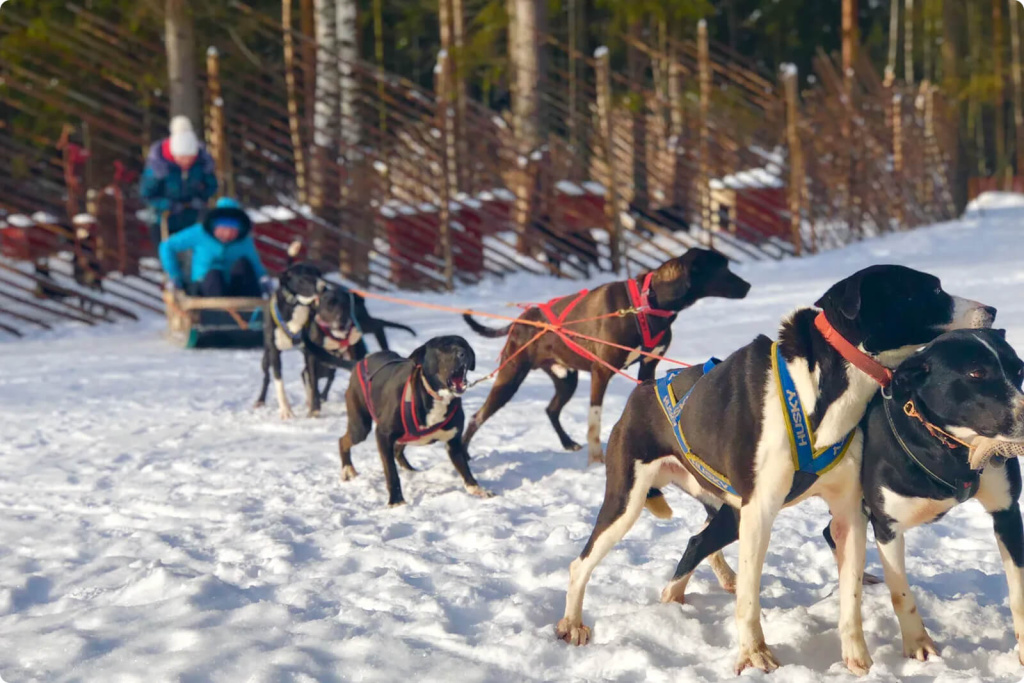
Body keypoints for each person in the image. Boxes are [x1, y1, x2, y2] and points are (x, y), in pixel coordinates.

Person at [159, 197, 271, 298]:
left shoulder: (244, 241)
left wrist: (263, 279)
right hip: (204, 288)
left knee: (243, 266)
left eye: (232, 230)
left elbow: (255, 264)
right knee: (214, 274)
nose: (227, 235)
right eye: (223, 229)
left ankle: (249, 311)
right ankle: (217, 315)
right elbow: (167, 246)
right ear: (214, 225)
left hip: (237, 290)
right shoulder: (200, 232)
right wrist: (174, 275)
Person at [140, 115, 218, 248]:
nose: (186, 162)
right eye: (182, 158)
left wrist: (200, 199)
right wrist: (167, 205)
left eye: (190, 158)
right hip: (163, 220)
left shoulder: (201, 165)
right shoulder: (158, 168)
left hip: (193, 218)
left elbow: (212, 186)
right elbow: (146, 194)